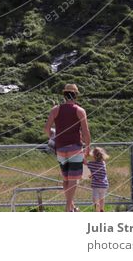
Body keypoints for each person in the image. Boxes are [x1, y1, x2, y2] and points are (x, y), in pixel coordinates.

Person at [44, 83, 91, 212]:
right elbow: (86, 132)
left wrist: (53, 138)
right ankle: (68, 208)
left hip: (60, 149)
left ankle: (71, 207)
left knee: (66, 179)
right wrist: (88, 147)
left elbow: (46, 128)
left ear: (64, 95)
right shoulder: (80, 110)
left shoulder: (55, 109)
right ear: (75, 95)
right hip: (75, 148)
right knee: (73, 179)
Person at [86, 146, 109, 212]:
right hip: (104, 184)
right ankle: (102, 209)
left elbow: (85, 164)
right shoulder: (103, 163)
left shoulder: (91, 164)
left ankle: (97, 208)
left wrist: (85, 156)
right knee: (102, 198)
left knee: (95, 199)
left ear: (93, 156)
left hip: (96, 185)